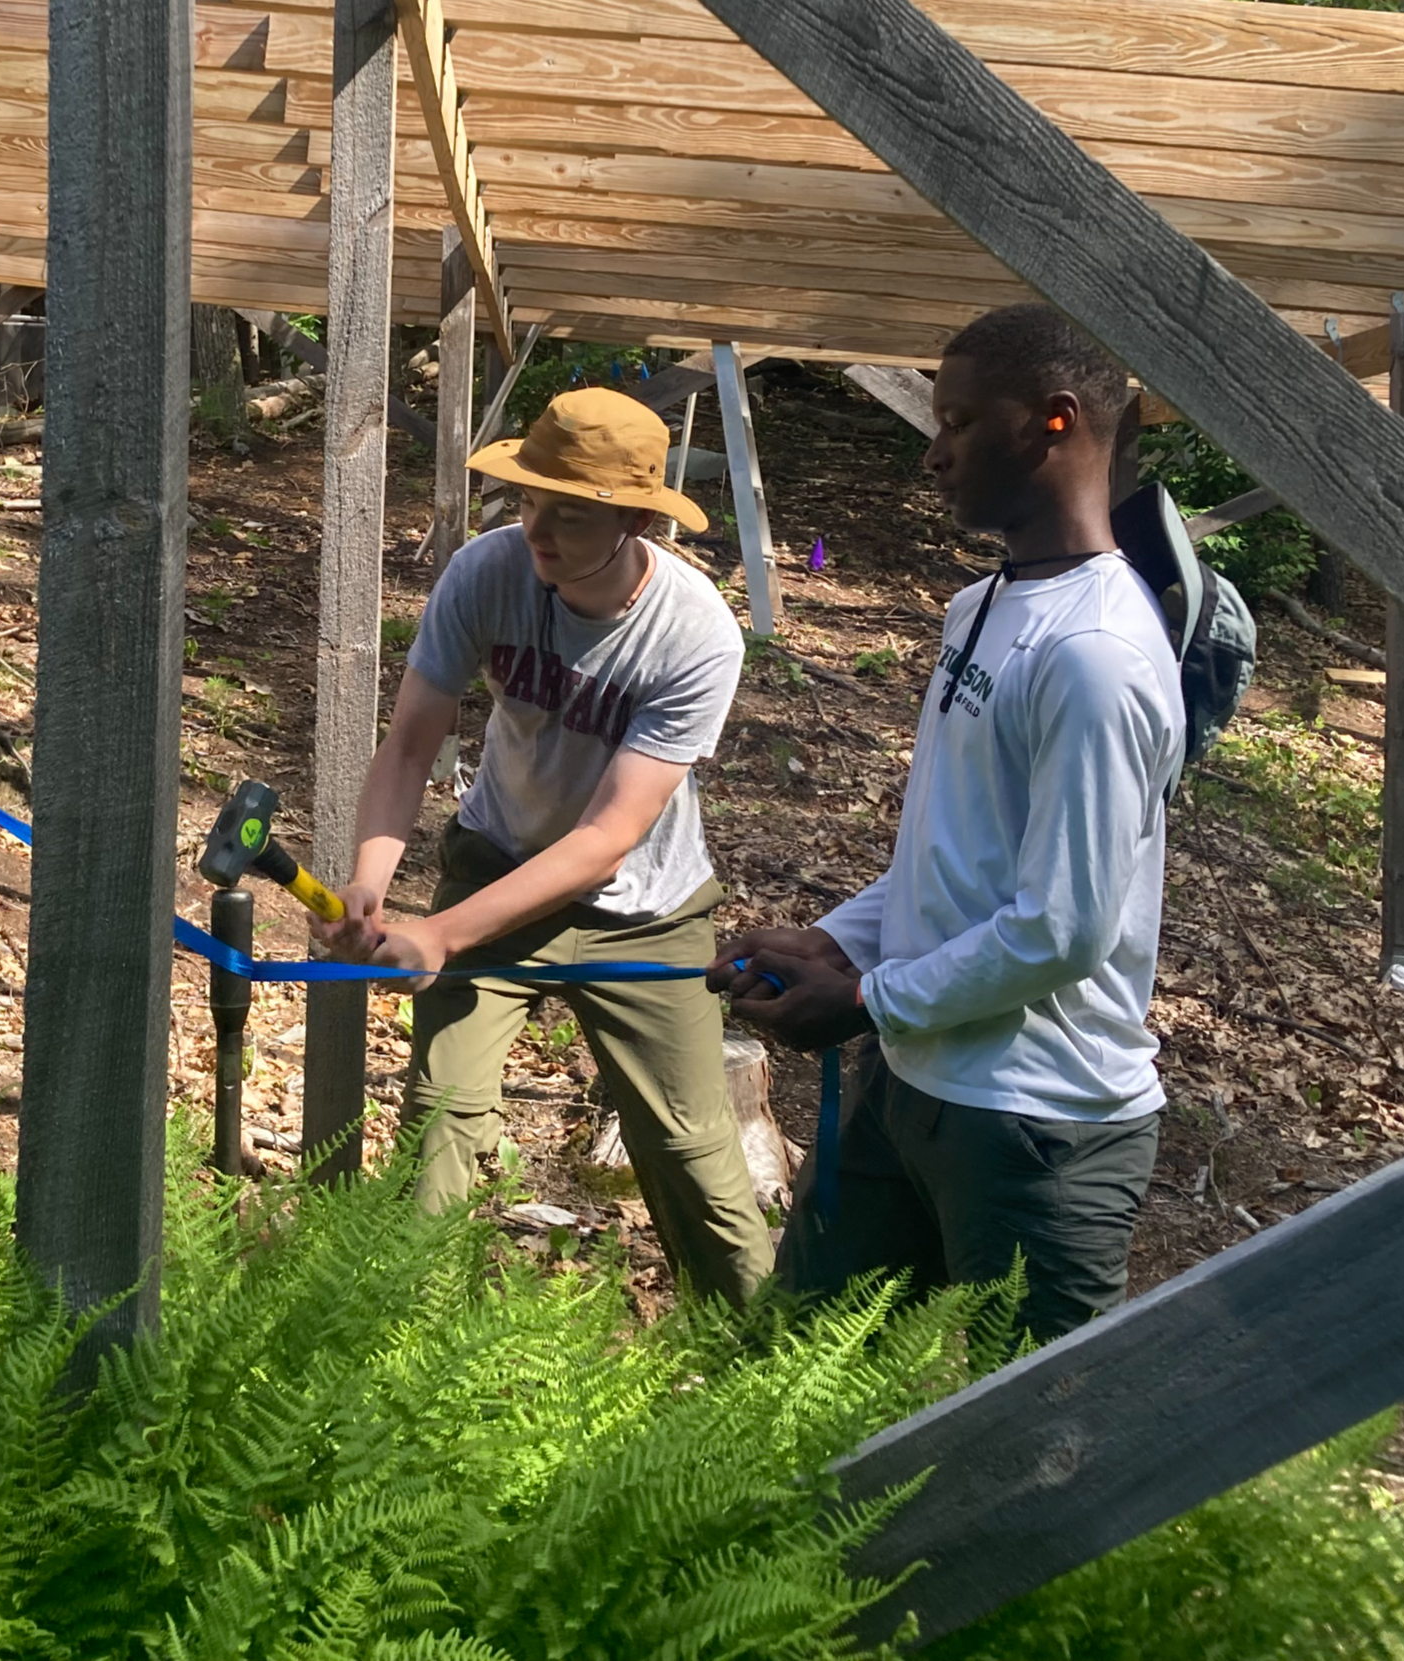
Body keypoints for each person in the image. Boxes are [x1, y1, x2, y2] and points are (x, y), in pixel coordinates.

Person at [713, 304, 1181, 1343]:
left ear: (1051, 422)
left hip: (1034, 1126)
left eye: (961, 421)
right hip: (909, 1084)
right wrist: (837, 937)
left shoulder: (1094, 653)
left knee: (1023, 1451)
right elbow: (957, 854)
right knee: (784, 1392)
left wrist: (866, 997)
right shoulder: (980, 608)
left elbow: (1060, 928)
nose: (933, 454)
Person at [338, 386, 774, 1307]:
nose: (537, 529)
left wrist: (443, 934)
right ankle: (390, 1356)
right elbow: (411, 739)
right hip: (495, 865)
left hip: (642, 915)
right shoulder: (484, 572)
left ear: (634, 520)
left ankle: (760, 1364)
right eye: (528, 500)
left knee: (692, 1149)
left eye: (569, 515)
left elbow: (608, 838)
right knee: (439, 1125)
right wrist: (370, 888)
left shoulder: (694, 632)